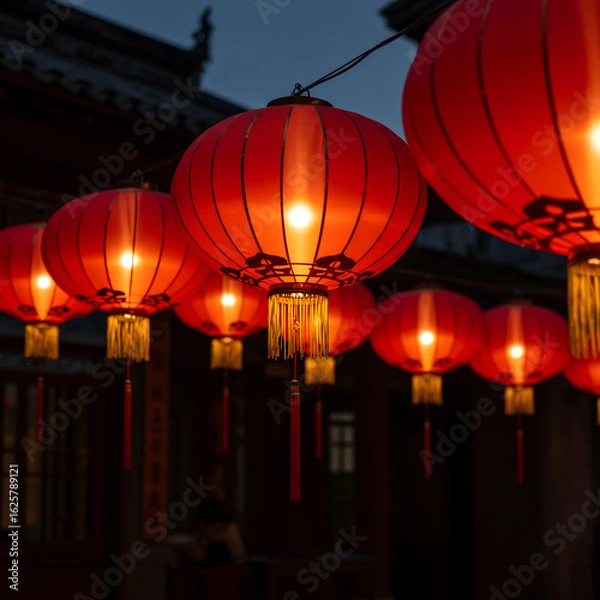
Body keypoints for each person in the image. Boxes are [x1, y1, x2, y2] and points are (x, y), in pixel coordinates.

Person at [169, 498, 247, 599]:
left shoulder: (223, 555)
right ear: (203, 524)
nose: (221, 536)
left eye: (224, 531)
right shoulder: (186, 557)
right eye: (217, 530)